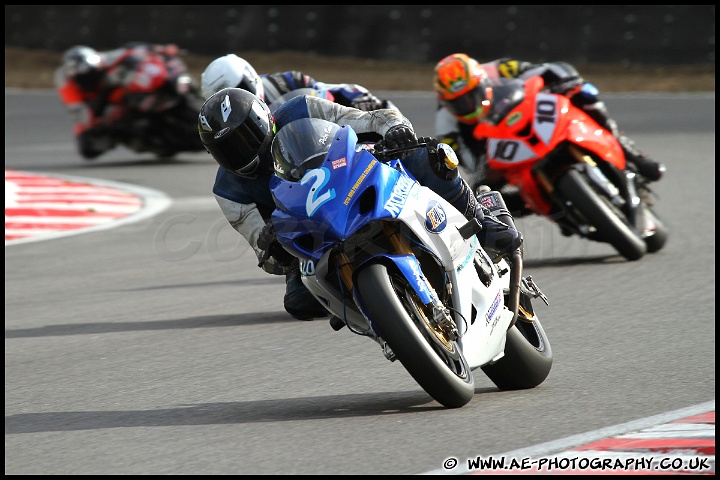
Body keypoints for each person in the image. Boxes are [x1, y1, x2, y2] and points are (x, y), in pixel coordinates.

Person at [198, 88, 522, 320]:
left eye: (245, 139)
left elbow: (368, 119)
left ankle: (479, 216)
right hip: (307, 228)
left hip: (352, 177)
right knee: (300, 302)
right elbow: (264, 252)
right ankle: (381, 318)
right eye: (227, 149)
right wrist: (272, 248)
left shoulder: (301, 108)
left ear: (264, 121)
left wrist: (394, 130)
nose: (241, 154)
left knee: (426, 156)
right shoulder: (229, 191)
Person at [433, 53, 667, 211]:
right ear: (446, 102)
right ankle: (543, 209)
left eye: (472, 95)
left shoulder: (499, 69)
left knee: (586, 96)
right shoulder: (445, 119)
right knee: (480, 198)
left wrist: (566, 82)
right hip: (499, 148)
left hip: (529, 115)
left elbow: (547, 70)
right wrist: (484, 167)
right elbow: (463, 158)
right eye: (459, 103)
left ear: (482, 81)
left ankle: (633, 156)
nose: (469, 105)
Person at [54, 42, 190, 159]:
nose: (90, 78)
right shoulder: (66, 82)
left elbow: (135, 48)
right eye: (85, 77)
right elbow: (77, 108)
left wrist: (161, 49)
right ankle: (147, 142)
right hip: (100, 107)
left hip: (126, 92)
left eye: (93, 73)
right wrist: (99, 123)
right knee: (88, 147)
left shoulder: (107, 59)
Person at [199, 53, 395, 111]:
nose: (237, 99)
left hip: (332, 144)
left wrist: (362, 99)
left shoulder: (287, 82)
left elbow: (334, 90)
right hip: (286, 173)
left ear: (250, 77)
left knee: (385, 108)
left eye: (240, 89)